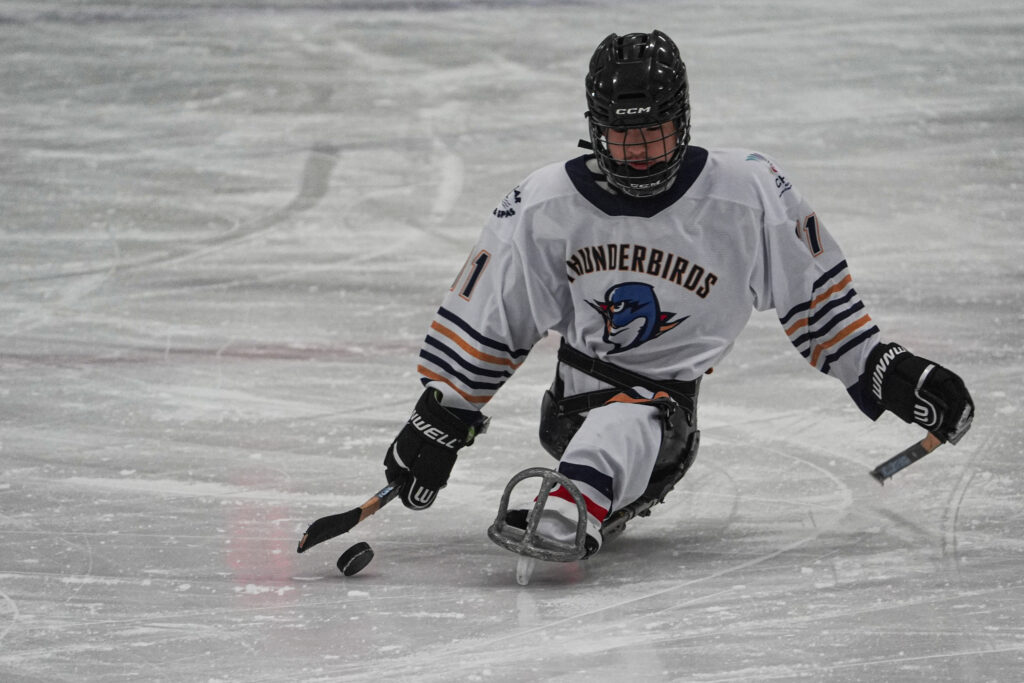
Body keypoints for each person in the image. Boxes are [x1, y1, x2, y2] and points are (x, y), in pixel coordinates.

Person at [382, 30, 974, 560]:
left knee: (629, 418)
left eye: (653, 133)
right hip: (567, 409)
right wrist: (441, 417)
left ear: (682, 122)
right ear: (596, 129)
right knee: (609, 420)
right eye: (622, 135)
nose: (638, 151)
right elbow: (495, 317)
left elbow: (814, 297)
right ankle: (581, 488)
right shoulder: (545, 202)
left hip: (664, 421)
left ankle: (571, 504)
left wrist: (882, 369)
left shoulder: (746, 191)